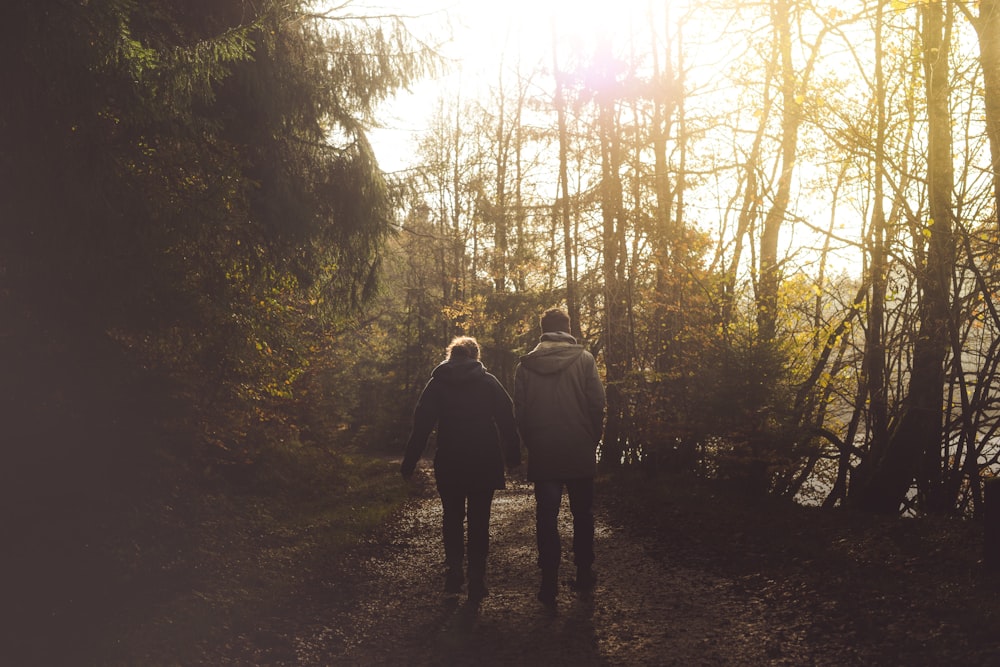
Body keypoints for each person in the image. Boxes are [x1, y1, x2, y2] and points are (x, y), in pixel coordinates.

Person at [401, 336, 521, 603]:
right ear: (475, 356)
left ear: (450, 356)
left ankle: (455, 571)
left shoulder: (437, 384)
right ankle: (477, 578)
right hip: (484, 458)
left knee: (452, 517)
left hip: (450, 459)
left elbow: (420, 425)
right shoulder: (489, 382)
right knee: (480, 520)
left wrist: (408, 464)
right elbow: (507, 419)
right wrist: (513, 457)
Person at [514, 307, 606, 608]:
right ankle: (583, 571)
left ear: (543, 329)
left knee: (546, 515)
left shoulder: (526, 365)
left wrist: (532, 443)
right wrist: (593, 438)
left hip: (544, 449)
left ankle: (549, 581)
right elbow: (597, 404)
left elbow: (521, 413)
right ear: (567, 328)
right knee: (582, 514)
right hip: (578, 444)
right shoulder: (584, 359)